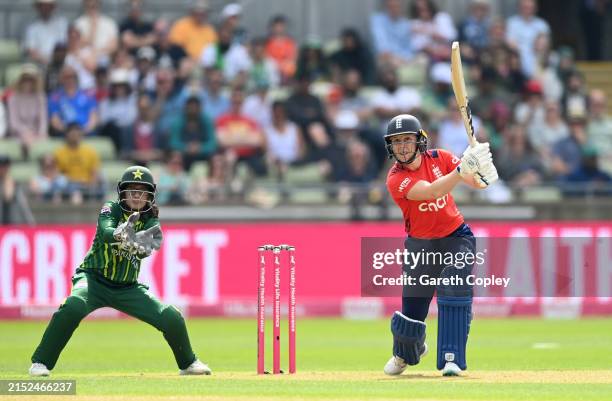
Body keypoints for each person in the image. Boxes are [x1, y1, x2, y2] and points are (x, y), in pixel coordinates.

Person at [29, 165, 211, 377]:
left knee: (171, 317)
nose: (136, 195)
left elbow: (150, 245)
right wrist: (119, 234)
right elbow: (106, 230)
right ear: (121, 192)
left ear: (150, 196)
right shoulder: (111, 208)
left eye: (142, 191)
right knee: (73, 306)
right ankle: (40, 363)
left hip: (127, 287)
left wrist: (141, 247)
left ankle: (188, 363)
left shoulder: (150, 220)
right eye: (131, 190)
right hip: (93, 279)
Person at [382, 114, 498, 377]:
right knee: (412, 316)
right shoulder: (395, 178)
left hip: (456, 235)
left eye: (407, 140)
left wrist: (483, 170)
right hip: (420, 246)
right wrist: (461, 170)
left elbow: (476, 183)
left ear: (419, 141)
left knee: (454, 286)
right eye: (397, 141)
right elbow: (432, 191)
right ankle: (405, 353)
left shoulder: (441, 158)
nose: (402, 146)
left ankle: (452, 358)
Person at [53, 123, 103, 203]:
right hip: (68, 186)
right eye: (72, 134)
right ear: (67, 135)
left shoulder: (90, 152)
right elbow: (56, 174)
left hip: (86, 185)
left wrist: (90, 185)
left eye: (77, 134)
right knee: (72, 191)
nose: (75, 137)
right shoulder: (59, 153)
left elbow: (95, 173)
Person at [6, 64, 48, 157]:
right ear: (20, 80)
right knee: (26, 140)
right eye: (25, 79)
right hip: (18, 134)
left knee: (43, 142)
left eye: (31, 80)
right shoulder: (13, 98)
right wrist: (26, 132)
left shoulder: (40, 97)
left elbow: (43, 120)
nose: (28, 82)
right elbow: (14, 123)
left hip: (37, 133)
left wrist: (41, 133)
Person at [48, 65, 98, 136]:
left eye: (72, 76)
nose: (69, 79)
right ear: (61, 79)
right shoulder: (55, 97)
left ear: (76, 78)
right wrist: (69, 133)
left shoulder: (88, 95)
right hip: (65, 134)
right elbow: (54, 120)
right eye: (66, 77)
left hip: (86, 134)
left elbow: (93, 118)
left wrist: (82, 132)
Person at [505, 0, 550, 78]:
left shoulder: (542, 25)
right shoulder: (511, 23)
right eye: (525, 7)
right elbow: (510, 44)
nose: (528, 10)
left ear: (535, 8)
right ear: (519, 8)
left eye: (530, 7)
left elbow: (546, 46)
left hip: (538, 62)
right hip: (517, 64)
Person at [23, 0, 68, 66]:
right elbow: (31, 50)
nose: (46, 8)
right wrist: (47, 61)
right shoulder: (32, 27)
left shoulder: (62, 23)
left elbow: (68, 44)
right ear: (38, 7)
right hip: (40, 65)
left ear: (53, 7)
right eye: (43, 5)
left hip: (62, 63)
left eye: (48, 5)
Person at [370, 0, 414, 65]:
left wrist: (406, 60)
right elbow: (382, 47)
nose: (394, 9)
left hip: (404, 59)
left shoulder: (405, 23)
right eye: (391, 6)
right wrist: (394, 59)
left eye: (397, 6)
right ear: (386, 6)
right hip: (386, 58)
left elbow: (409, 47)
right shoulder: (377, 20)